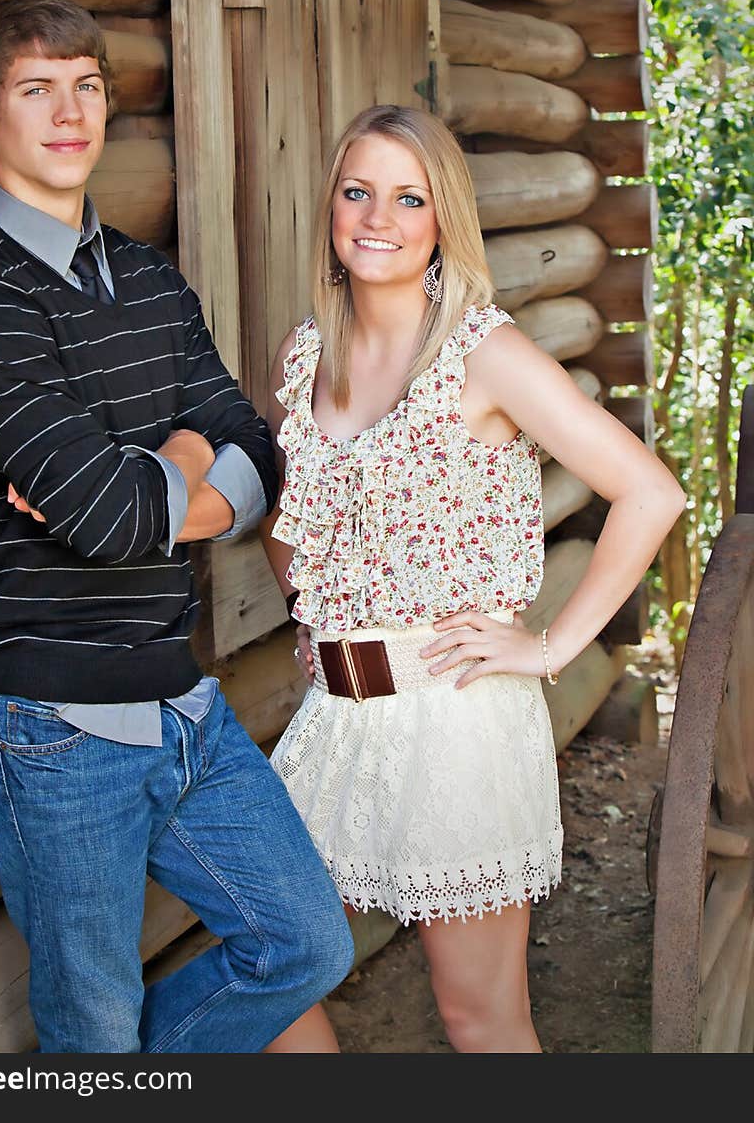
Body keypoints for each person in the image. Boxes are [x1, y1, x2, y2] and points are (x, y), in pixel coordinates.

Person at [0, 0, 353, 1054]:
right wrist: (183, 466)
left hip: (179, 695)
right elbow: (115, 521)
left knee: (305, 943)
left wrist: (167, 469)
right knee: (94, 1031)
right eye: (36, 91)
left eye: (87, 87)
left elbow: (254, 451)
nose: (69, 113)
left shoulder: (152, 280)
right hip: (46, 724)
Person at [258, 103, 685, 1053]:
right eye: (358, 191)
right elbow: (290, 515)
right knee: (271, 965)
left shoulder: (482, 353)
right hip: (335, 716)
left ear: (443, 218)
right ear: (331, 207)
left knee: (479, 1016)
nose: (379, 218)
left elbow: (650, 493)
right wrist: (311, 606)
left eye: (409, 199)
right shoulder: (305, 354)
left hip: (456, 714)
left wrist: (549, 646)